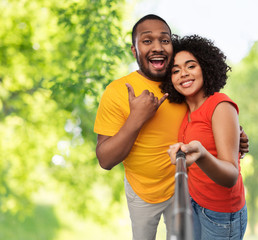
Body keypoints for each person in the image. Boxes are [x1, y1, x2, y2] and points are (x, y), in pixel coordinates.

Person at [94, 14, 249, 240]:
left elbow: (210, 113)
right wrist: (137, 118)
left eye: (165, 40)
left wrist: (237, 133)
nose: (157, 47)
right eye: (147, 41)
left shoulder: (181, 87)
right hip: (142, 190)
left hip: (187, 191)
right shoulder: (118, 91)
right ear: (134, 50)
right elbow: (105, 160)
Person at [163, 35, 247, 240]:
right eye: (175, 70)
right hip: (195, 202)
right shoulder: (185, 110)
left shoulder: (220, 104)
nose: (183, 74)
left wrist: (201, 155)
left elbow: (230, 176)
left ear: (206, 68)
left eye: (190, 66)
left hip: (221, 213)